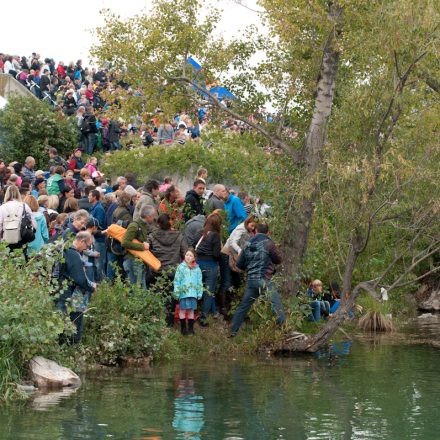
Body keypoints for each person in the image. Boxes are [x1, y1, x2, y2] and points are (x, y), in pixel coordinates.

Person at [230, 223, 286, 337]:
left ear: (255, 231)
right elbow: (278, 260)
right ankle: (285, 331)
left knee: (243, 307)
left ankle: (232, 332)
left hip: (251, 281)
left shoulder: (247, 244)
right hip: (264, 280)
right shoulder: (269, 244)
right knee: (276, 304)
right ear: (268, 232)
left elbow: (240, 265)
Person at [56, 231, 96, 344]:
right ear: (82, 241)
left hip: (56, 288)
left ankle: (61, 346)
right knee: (71, 320)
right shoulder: (73, 254)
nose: (85, 249)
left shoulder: (63, 249)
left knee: (59, 319)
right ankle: (70, 346)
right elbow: (79, 278)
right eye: (87, 246)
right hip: (66, 291)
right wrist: (91, 288)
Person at [148, 213, 188, 325]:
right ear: (170, 222)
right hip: (172, 271)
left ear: (158, 224)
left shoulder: (151, 236)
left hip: (156, 270)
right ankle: (169, 321)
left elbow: (146, 251)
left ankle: (154, 320)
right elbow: (185, 253)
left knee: (155, 293)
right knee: (171, 296)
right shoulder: (179, 236)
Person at [193, 213, 222, 324]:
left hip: (198, 264)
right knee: (209, 292)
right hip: (210, 266)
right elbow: (216, 254)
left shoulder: (200, 233)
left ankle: (193, 311)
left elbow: (193, 244)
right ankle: (203, 316)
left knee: (195, 288)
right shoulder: (215, 236)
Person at [122, 204, 157, 287]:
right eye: (153, 216)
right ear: (148, 216)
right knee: (136, 289)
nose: (154, 218)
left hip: (138, 260)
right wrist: (142, 246)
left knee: (140, 288)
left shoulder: (143, 225)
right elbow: (125, 242)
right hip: (132, 261)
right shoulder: (134, 226)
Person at [173, 249, 203, 335]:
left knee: (191, 311)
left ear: (194, 258)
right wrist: (177, 292)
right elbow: (177, 281)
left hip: (193, 293)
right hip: (183, 293)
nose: (188, 257)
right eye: (187, 255)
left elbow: (199, 282)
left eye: (190, 255)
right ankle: (183, 329)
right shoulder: (181, 267)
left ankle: (190, 329)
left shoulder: (197, 269)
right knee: (182, 310)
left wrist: (199, 292)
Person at [0, 185, 36, 252]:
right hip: (21, 239)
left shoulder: (2, 207)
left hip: (6, 239)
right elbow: (34, 224)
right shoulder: (24, 206)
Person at [88, 189, 107, 280]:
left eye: (89, 195)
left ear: (94, 197)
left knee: (99, 262)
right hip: (95, 237)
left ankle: (100, 281)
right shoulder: (93, 208)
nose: (88, 197)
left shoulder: (98, 208)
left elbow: (98, 224)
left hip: (99, 239)